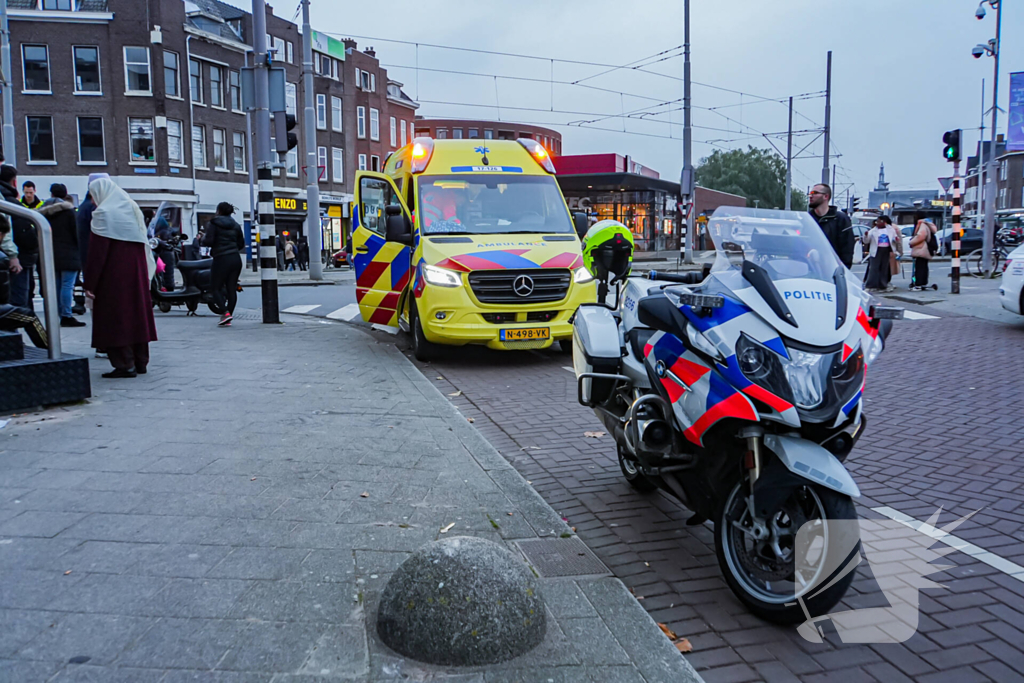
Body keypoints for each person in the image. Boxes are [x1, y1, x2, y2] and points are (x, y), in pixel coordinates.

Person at [83, 178, 158, 378]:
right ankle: (141, 361)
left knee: (116, 317)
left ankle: (124, 363)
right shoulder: (130, 208)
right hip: (137, 273)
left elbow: (97, 254)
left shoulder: (104, 214)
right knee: (136, 315)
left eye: (92, 196)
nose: (92, 201)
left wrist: (90, 283)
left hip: (113, 277)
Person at [38, 184, 84, 327]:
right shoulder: (69, 212)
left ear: (51, 194)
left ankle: (57, 313)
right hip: (69, 254)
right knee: (67, 285)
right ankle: (66, 315)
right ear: (65, 195)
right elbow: (76, 233)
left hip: (50, 253)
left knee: (56, 285)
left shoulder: (42, 213)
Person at [0, 166, 37, 310]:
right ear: (14, 182)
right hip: (19, 256)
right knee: (18, 301)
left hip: (16, 254)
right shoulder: (11, 203)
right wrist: (13, 254)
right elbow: (7, 230)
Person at [202, 202, 245, 327]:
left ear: (218, 211)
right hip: (235, 259)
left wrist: (203, 239)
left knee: (215, 287)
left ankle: (225, 313)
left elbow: (209, 241)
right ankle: (228, 315)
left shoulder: (214, 223)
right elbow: (241, 243)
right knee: (231, 289)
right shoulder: (236, 225)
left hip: (221, 258)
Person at [808, 183, 855, 269]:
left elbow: (847, 248)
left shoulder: (841, 219)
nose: (811, 196)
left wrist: (843, 270)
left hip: (833, 269)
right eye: (810, 193)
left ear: (826, 196)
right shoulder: (808, 219)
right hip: (810, 268)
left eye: (814, 193)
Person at [864, 216, 900, 292]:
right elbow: (866, 241)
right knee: (874, 268)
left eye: (879, 221)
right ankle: (871, 285)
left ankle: (883, 285)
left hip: (886, 249)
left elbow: (894, 238)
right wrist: (866, 235)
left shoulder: (890, 229)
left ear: (884, 222)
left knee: (884, 268)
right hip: (876, 250)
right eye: (877, 221)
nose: (878, 223)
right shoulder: (873, 230)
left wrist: (896, 240)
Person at [909, 211, 937, 291]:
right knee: (924, 266)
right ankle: (923, 282)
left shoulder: (922, 225)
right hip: (926, 249)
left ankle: (918, 284)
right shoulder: (927, 224)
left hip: (921, 248)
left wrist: (912, 242)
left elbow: (921, 236)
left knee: (919, 266)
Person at [151, 213, 176, 291]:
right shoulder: (168, 230)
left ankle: (166, 289)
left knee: (164, 272)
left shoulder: (162, 232)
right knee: (168, 273)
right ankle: (169, 288)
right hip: (167, 253)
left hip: (164, 253)